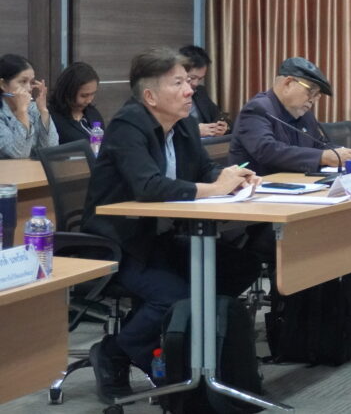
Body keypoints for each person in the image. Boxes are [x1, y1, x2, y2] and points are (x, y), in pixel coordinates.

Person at [81, 48, 263, 403]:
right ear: (151, 96)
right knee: (176, 295)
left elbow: (203, 170)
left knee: (242, 265)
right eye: (178, 83)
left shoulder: (184, 125)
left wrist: (230, 177)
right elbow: (148, 186)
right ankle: (116, 351)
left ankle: (188, 344)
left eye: (188, 82)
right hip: (119, 242)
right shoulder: (127, 126)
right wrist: (214, 189)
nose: (189, 90)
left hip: (160, 236)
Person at [229, 56, 351, 175]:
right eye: (311, 91)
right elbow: (267, 151)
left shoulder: (305, 115)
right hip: (259, 187)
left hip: (298, 185)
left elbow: (320, 146)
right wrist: (323, 157)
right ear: (288, 84)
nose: (313, 99)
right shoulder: (257, 109)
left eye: (317, 95)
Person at [0, 53, 58, 158]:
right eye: (23, 81)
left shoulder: (32, 108)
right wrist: (22, 112)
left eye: (31, 82)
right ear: (3, 85)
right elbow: (19, 155)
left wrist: (43, 111)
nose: (29, 88)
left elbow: (51, 149)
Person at [47, 61, 105, 144]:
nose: (89, 100)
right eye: (84, 95)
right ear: (68, 91)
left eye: (93, 94)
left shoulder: (93, 113)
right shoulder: (51, 118)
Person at [179, 45, 230, 137]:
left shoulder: (200, 92)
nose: (195, 83)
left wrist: (223, 127)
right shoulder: (168, 96)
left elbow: (219, 117)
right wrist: (194, 130)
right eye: (192, 78)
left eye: (200, 79)